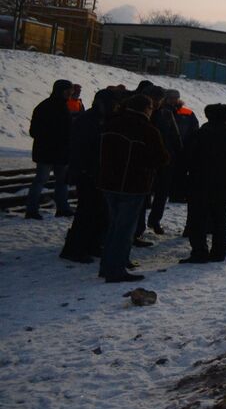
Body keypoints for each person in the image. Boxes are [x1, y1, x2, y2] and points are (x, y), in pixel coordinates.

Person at [96, 94, 168, 283]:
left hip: (107, 183)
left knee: (113, 226)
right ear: (146, 109)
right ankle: (116, 269)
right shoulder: (147, 130)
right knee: (125, 229)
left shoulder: (111, 124)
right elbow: (160, 158)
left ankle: (106, 266)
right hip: (132, 185)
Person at [60, 86, 123, 264]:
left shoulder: (100, 119)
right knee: (86, 212)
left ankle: (91, 244)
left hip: (96, 171)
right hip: (88, 172)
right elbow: (82, 148)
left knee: (98, 211)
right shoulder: (88, 120)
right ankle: (74, 248)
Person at [183, 104, 226, 263]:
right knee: (220, 220)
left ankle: (199, 252)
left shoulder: (198, 135)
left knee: (198, 220)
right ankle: (219, 252)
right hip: (224, 185)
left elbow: (187, 159)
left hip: (199, 183)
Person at [148, 90, 198, 234]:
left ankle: (155, 220)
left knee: (162, 191)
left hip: (175, 157)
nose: (172, 100)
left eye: (175, 98)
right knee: (153, 190)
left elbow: (193, 132)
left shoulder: (187, 113)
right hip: (158, 155)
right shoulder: (158, 111)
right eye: (170, 98)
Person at [26, 79, 75, 219]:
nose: (70, 94)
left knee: (41, 180)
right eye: (68, 91)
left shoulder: (43, 106)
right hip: (57, 151)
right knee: (59, 182)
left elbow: (34, 131)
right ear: (61, 91)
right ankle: (62, 208)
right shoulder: (62, 108)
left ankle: (32, 210)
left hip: (45, 151)